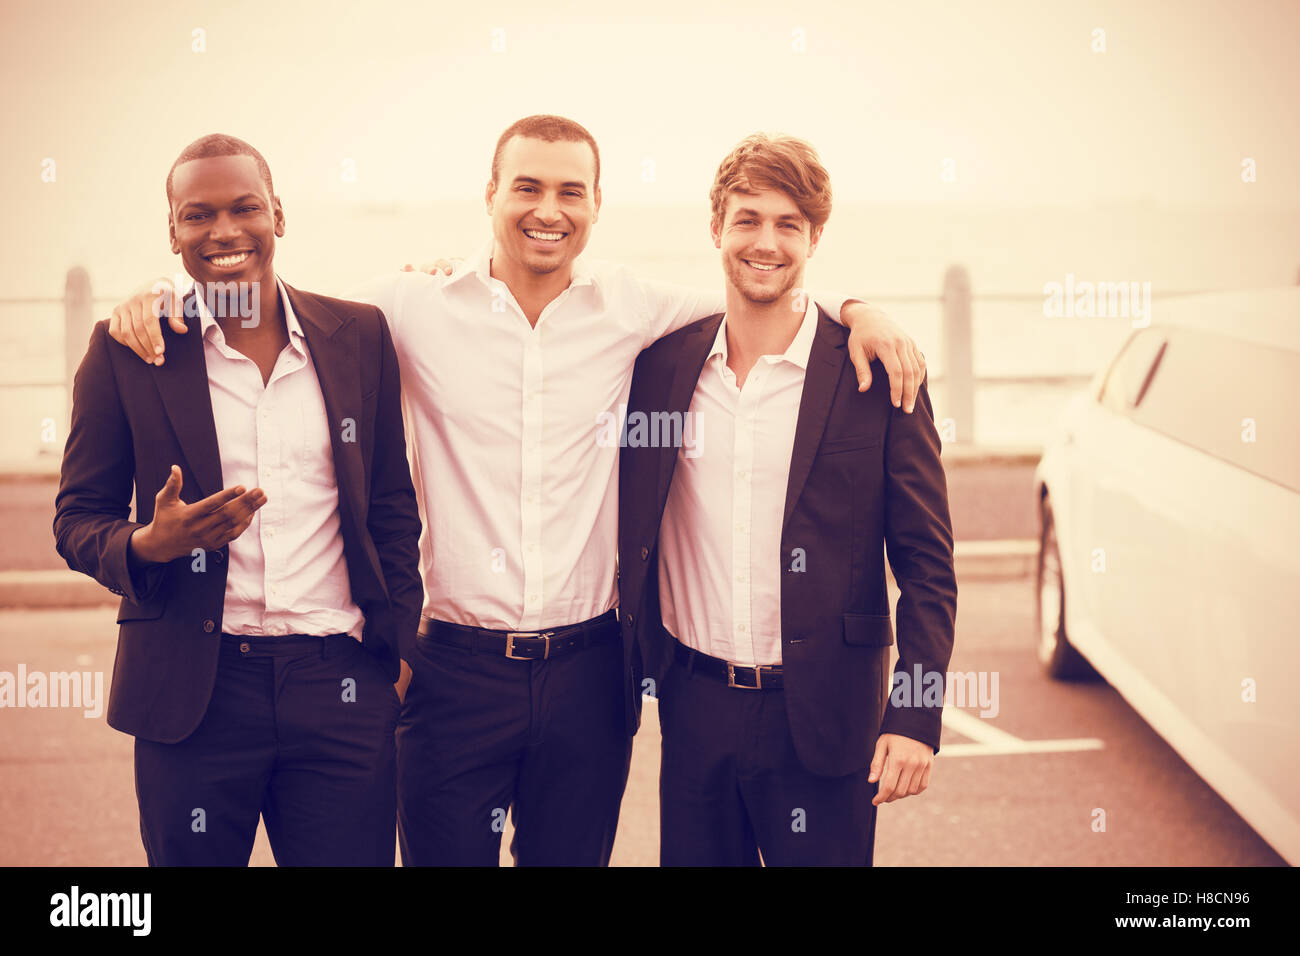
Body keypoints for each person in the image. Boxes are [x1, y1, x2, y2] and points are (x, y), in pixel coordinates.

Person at [104, 115, 927, 866]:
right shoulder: (404, 309)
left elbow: (769, 293)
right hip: (451, 672)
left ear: (597, 204)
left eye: (571, 191)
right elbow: (271, 298)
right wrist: (156, 297)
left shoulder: (636, 309)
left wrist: (863, 311)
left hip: (590, 674)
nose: (549, 208)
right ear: (491, 195)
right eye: (527, 186)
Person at [54, 134, 423, 866]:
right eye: (198, 215)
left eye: (244, 207)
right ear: (173, 233)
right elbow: (75, 519)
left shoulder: (359, 335)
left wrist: (396, 655)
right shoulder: (127, 350)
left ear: (277, 214)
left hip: (338, 683)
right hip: (195, 693)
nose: (223, 231)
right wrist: (148, 544)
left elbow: (390, 507)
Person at [618, 133, 958, 865]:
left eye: (787, 225)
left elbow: (930, 569)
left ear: (814, 238)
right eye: (747, 219)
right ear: (716, 229)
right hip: (694, 710)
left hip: (829, 720)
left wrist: (917, 714)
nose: (764, 242)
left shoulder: (878, 373)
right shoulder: (661, 368)